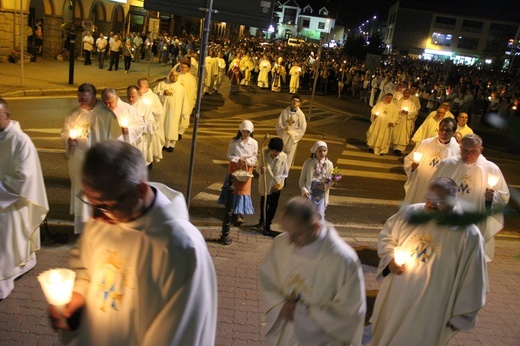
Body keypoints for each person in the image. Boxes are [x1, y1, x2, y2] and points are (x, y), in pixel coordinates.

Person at [49, 140, 217, 344]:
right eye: (91, 203)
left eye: (106, 205)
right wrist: (76, 295)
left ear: (141, 191)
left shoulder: (181, 248)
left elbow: (179, 336)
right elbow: (83, 266)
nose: (96, 216)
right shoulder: (104, 215)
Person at [370, 177, 487, 345]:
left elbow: (474, 279)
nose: (431, 205)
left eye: (438, 201)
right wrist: (390, 259)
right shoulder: (409, 214)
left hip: (432, 307)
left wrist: (461, 314)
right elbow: (387, 236)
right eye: (429, 198)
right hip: (398, 295)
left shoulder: (468, 234)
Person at [258, 196, 366, 346]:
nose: (290, 241)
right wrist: (280, 306)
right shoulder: (281, 243)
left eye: (296, 235)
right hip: (285, 333)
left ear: (315, 227)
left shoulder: (343, 259)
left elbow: (351, 311)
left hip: (321, 339)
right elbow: (268, 279)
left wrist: (303, 314)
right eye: (287, 232)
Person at [431, 134, 510, 262]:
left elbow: (503, 197)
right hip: (448, 218)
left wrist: (490, 199)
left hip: (474, 220)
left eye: (473, 151)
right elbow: (433, 189)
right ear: (460, 147)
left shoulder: (491, 169)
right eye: (464, 150)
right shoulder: (448, 164)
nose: (468, 154)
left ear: (481, 150)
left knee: (469, 257)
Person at [0, 98, 49, 299]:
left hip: (14, 201)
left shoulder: (21, 141)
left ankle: (3, 282)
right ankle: (24, 261)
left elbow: (24, 178)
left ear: (7, 115)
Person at [61, 83, 121, 234]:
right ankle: (81, 231)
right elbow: (64, 132)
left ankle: (99, 231)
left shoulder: (107, 115)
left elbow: (116, 141)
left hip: (98, 164)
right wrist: (68, 140)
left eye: (84, 99)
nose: (81, 101)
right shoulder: (73, 114)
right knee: (81, 197)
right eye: (79, 98)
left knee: (97, 197)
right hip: (79, 161)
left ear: (93, 97)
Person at [403, 118, 460, 205]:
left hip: (438, 191)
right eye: (441, 129)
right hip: (420, 184)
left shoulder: (456, 151)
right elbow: (409, 160)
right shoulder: (426, 143)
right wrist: (412, 167)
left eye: (448, 130)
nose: (443, 132)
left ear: (453, 132)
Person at [217, 120, 258, 225]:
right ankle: (231, 209)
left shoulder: (254, 143)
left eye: (247, 132)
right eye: (244, 131)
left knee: (243, 190)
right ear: (240, 131)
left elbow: (255, 157)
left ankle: (240, 213)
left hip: (246, 169)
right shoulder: (234, 142)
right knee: (233, 188)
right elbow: (229, 155)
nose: (245, 134)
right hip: (234, 168)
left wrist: (247, 161)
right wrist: (237, 159)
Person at [256, 137, 288, 236]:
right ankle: (262, 219)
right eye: (273, 150)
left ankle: (268, 224)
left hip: (276, 184)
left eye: (277, 151)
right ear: (270, 149)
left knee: (273, 205)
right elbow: (257, 168)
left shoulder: (284, 157)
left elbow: (285, 173)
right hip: (265, 183)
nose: (275, 153)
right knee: (264, 203)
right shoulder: (263, 155)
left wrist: (279, 183)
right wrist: (261, 170)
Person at [153, 71, 190, 152]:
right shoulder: (162, 84)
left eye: (176, 76)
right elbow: (154, 92)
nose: (174, 77)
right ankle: (163, 144)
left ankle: (171, 145)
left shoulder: (180, 88)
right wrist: (163, 92)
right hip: (163, 110)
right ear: (169, 76)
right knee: (163, 127)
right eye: (173, 75)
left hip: (175, 112)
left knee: (172, 128)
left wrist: (185, 113)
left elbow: (184, 100)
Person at [101, 88, 145, 156]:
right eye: (105, 103)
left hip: (123, 146)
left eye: (110, 102)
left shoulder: (127, 108)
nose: (107, 105)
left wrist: (128, 129)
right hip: (107, 147)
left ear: (116, 97)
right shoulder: (101, 110)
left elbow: (140, 125)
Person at [299, 141, 334, 219]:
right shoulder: (308, 163)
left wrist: (325, 186)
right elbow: (302, 180)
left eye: (324, 151)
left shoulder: (329, 164)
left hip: (321, 195)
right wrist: (305, 191)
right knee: (308, 216)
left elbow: (331, 180)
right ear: (315, 151)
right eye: (320, 151)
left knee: (319, 216)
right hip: (310, 193)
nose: (322, 153)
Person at [126, 85, 157, 169]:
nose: (131, 99)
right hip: (128, 138)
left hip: (140, 140)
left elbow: (153, 125)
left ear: (138, 95)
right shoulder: (125, 107)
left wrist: (144, 122)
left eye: (133, 96)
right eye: (129, 96)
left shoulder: (144, 108)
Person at [275, 94, 307, 170]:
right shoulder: (285, 112)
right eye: (293, 100)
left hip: (292, 139)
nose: (294, 103)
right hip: (283, 136)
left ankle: (285, 175)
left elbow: (302, 128)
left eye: (297, 101)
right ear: (290, 101)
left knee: (288, 158)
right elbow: (279, 123)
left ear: (299, 103)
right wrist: (284, 128)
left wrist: (292, 133)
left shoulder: (301, 115)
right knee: (280, 156)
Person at [138, 78, 165, 163]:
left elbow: (159, 111)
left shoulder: (153, 97)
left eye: (140, 86)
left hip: (149, 125)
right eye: (138, 85)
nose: (138, 87)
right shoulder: (137, 95)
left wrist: (148, 110)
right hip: (139, 125)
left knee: (149, 145)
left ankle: (148, 162)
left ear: (146, 86)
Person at [392, 89, 419, 156]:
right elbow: (395, 110)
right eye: (405, 93)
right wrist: (401, 111)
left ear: (409, 95)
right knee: (397, 133)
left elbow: (415, 112)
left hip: (407, 121)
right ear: (403, 94)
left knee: (404, 134)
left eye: (408, 93)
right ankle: (395, 148)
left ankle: (401, 149)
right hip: (400, 120)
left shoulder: (412, 104)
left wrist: (408, 113)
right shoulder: (399, 102)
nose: (406, 95)